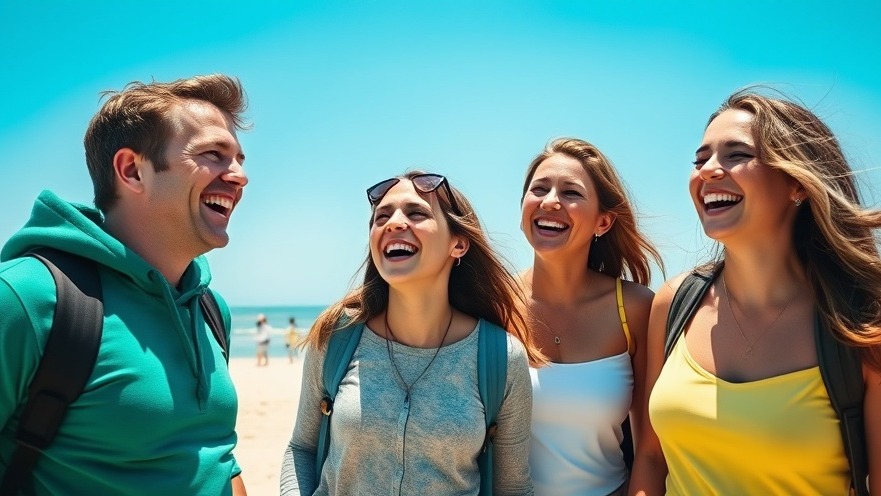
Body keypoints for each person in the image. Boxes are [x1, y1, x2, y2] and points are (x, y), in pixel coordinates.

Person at [0, 75, 250, 495]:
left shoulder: (209, 309)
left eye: (240, 159)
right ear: (132, 170)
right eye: (214, 154)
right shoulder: (27, 297)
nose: (239, 176)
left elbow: (215, 455)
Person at [630, 89, 881, 494]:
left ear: (797, 184)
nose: (708, 170)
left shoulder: (862, 324)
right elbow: (650, 458)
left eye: (736, 155)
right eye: (701, 158)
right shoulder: (673, 302)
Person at [280, 170, 544, 495]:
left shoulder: (501, 357)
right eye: (381, 217)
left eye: (416, 213)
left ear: (458, 244)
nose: (393, 223)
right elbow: (301, 449)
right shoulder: (338, 336)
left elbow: (513, 487)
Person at [520, 138, 661, 495]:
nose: (550, 201)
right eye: (539, 189)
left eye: (571, 192)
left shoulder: (636, 308)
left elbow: (651, 451)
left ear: (603, 221)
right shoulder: (492, 303)